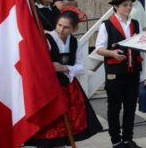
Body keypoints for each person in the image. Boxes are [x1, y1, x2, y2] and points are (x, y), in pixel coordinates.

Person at [25, 11, 102, 147]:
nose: (61, 29)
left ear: (74, 29)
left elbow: (81, 68)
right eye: (59, 25)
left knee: (69, 122)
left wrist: (64, 68)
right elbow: (36, 63)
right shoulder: (46, 39)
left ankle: (63, 144)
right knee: (50, 122)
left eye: (66, 27)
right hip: (49, 89)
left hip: (68, 88)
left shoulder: (74, 42)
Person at [95, 0, 143, 148]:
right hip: (115, 72)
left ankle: (128, 139)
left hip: (132, 70)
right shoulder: (106, 25)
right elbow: (99, 49)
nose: (129, 8)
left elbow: (140, 43)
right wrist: (112, 53)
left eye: (130, 5)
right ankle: (116, 141)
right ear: (116, 7)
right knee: (114, 106)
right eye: (125, 5)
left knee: (130, 106)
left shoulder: (135, 23)